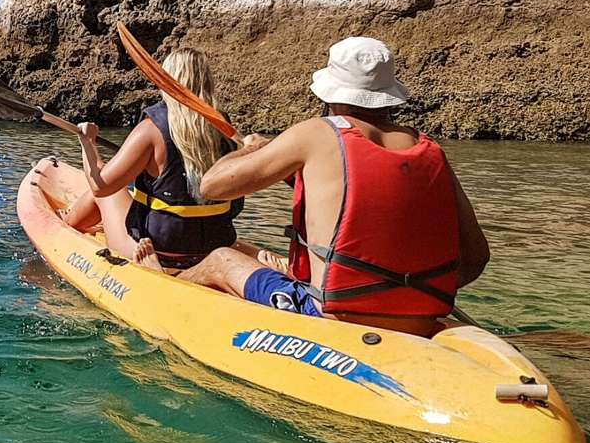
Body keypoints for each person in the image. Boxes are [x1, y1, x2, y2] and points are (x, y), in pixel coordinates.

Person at [181, 37, 490, 337]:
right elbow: (476, 257)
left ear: (332, 95)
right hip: (419, 319)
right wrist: (403, 295)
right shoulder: (429, 149)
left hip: (332, 314)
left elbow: (212, 186)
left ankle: (158, 292)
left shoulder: (316, 133)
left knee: (220, 259)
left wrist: (251, 149)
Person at [64, 49, 252, 271]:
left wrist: (88, 143)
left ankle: (64, 229)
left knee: (110, 192)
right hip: (215, 245)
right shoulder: (226, 131)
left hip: (158, 251)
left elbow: (100, 186)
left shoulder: (151, 131)